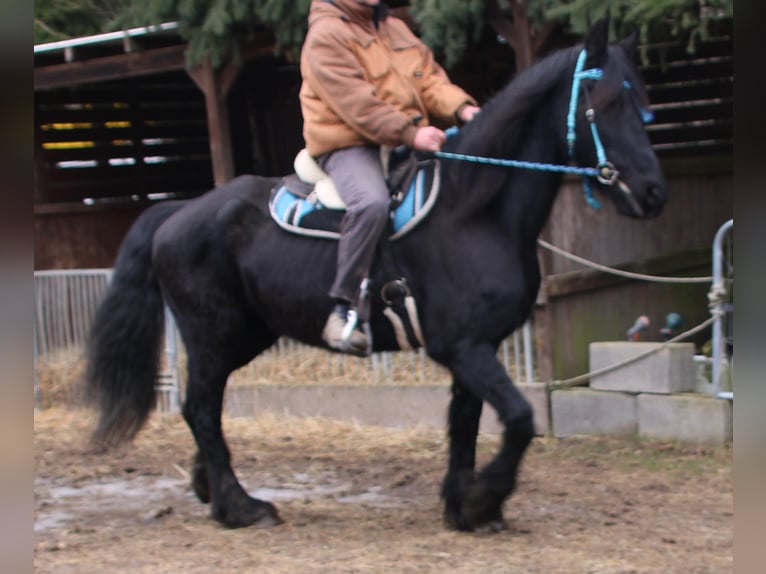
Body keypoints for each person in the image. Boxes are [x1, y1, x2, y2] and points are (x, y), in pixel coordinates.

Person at [299, 0, 480, 356]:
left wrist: (463, 109)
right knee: (371, 203)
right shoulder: (325, 36)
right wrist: (410, 134)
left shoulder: (393, 28)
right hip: (351, 142)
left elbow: (428, 81)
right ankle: (343, 308)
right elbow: (357, 105)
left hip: (402, 136)